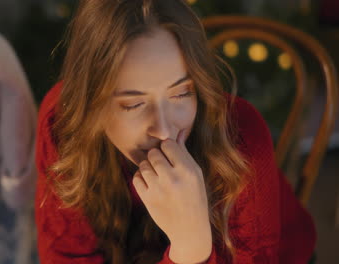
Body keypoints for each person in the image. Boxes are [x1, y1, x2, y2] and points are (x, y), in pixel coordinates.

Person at [34, 0, 317, 263]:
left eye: (181, 93)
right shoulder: (62, 125)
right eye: (133, 104)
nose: (164, 129)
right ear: (90, 103)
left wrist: (190, 244)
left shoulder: (240, 139)